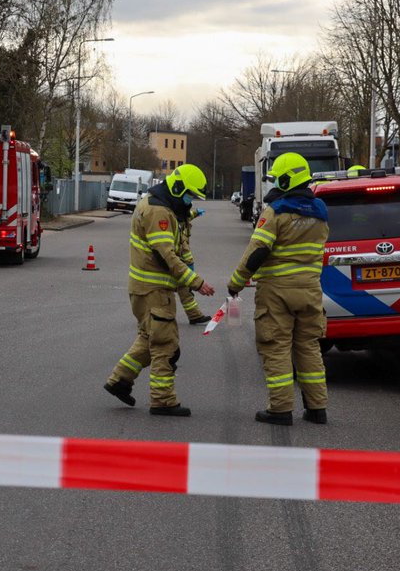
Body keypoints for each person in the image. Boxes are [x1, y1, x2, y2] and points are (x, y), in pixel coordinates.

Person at [227, 152, 330, 426]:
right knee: (308, 347)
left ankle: (281, 410)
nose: (273, 185)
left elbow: (257, 252)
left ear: (286, 179)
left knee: (276, 347)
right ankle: (317, 408)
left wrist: (236, 282)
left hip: (277, 293)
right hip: (310, 291)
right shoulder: (321, 212)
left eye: (276, 179)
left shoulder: (275, 212)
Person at [104, 164, 215, 417]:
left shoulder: (157, 204)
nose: (190, 202)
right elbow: (167, 256)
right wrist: (196, 282)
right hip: (154, 291)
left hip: (145, 290)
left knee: (149, 338)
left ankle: (119, 381)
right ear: (177, 188)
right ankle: (162, 401)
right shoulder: (159, 213)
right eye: (189, 195)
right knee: (166, 346)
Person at [176, 206, 211, 324]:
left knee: (185, 290)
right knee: (181, 289)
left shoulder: (183, 217)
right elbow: (184, 251)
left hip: (179, 264)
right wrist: (190, 267)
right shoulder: (177, 223)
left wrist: (197, 212)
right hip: (179, 264)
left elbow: (190, 215)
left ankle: (195, 316)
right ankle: (194, 316)